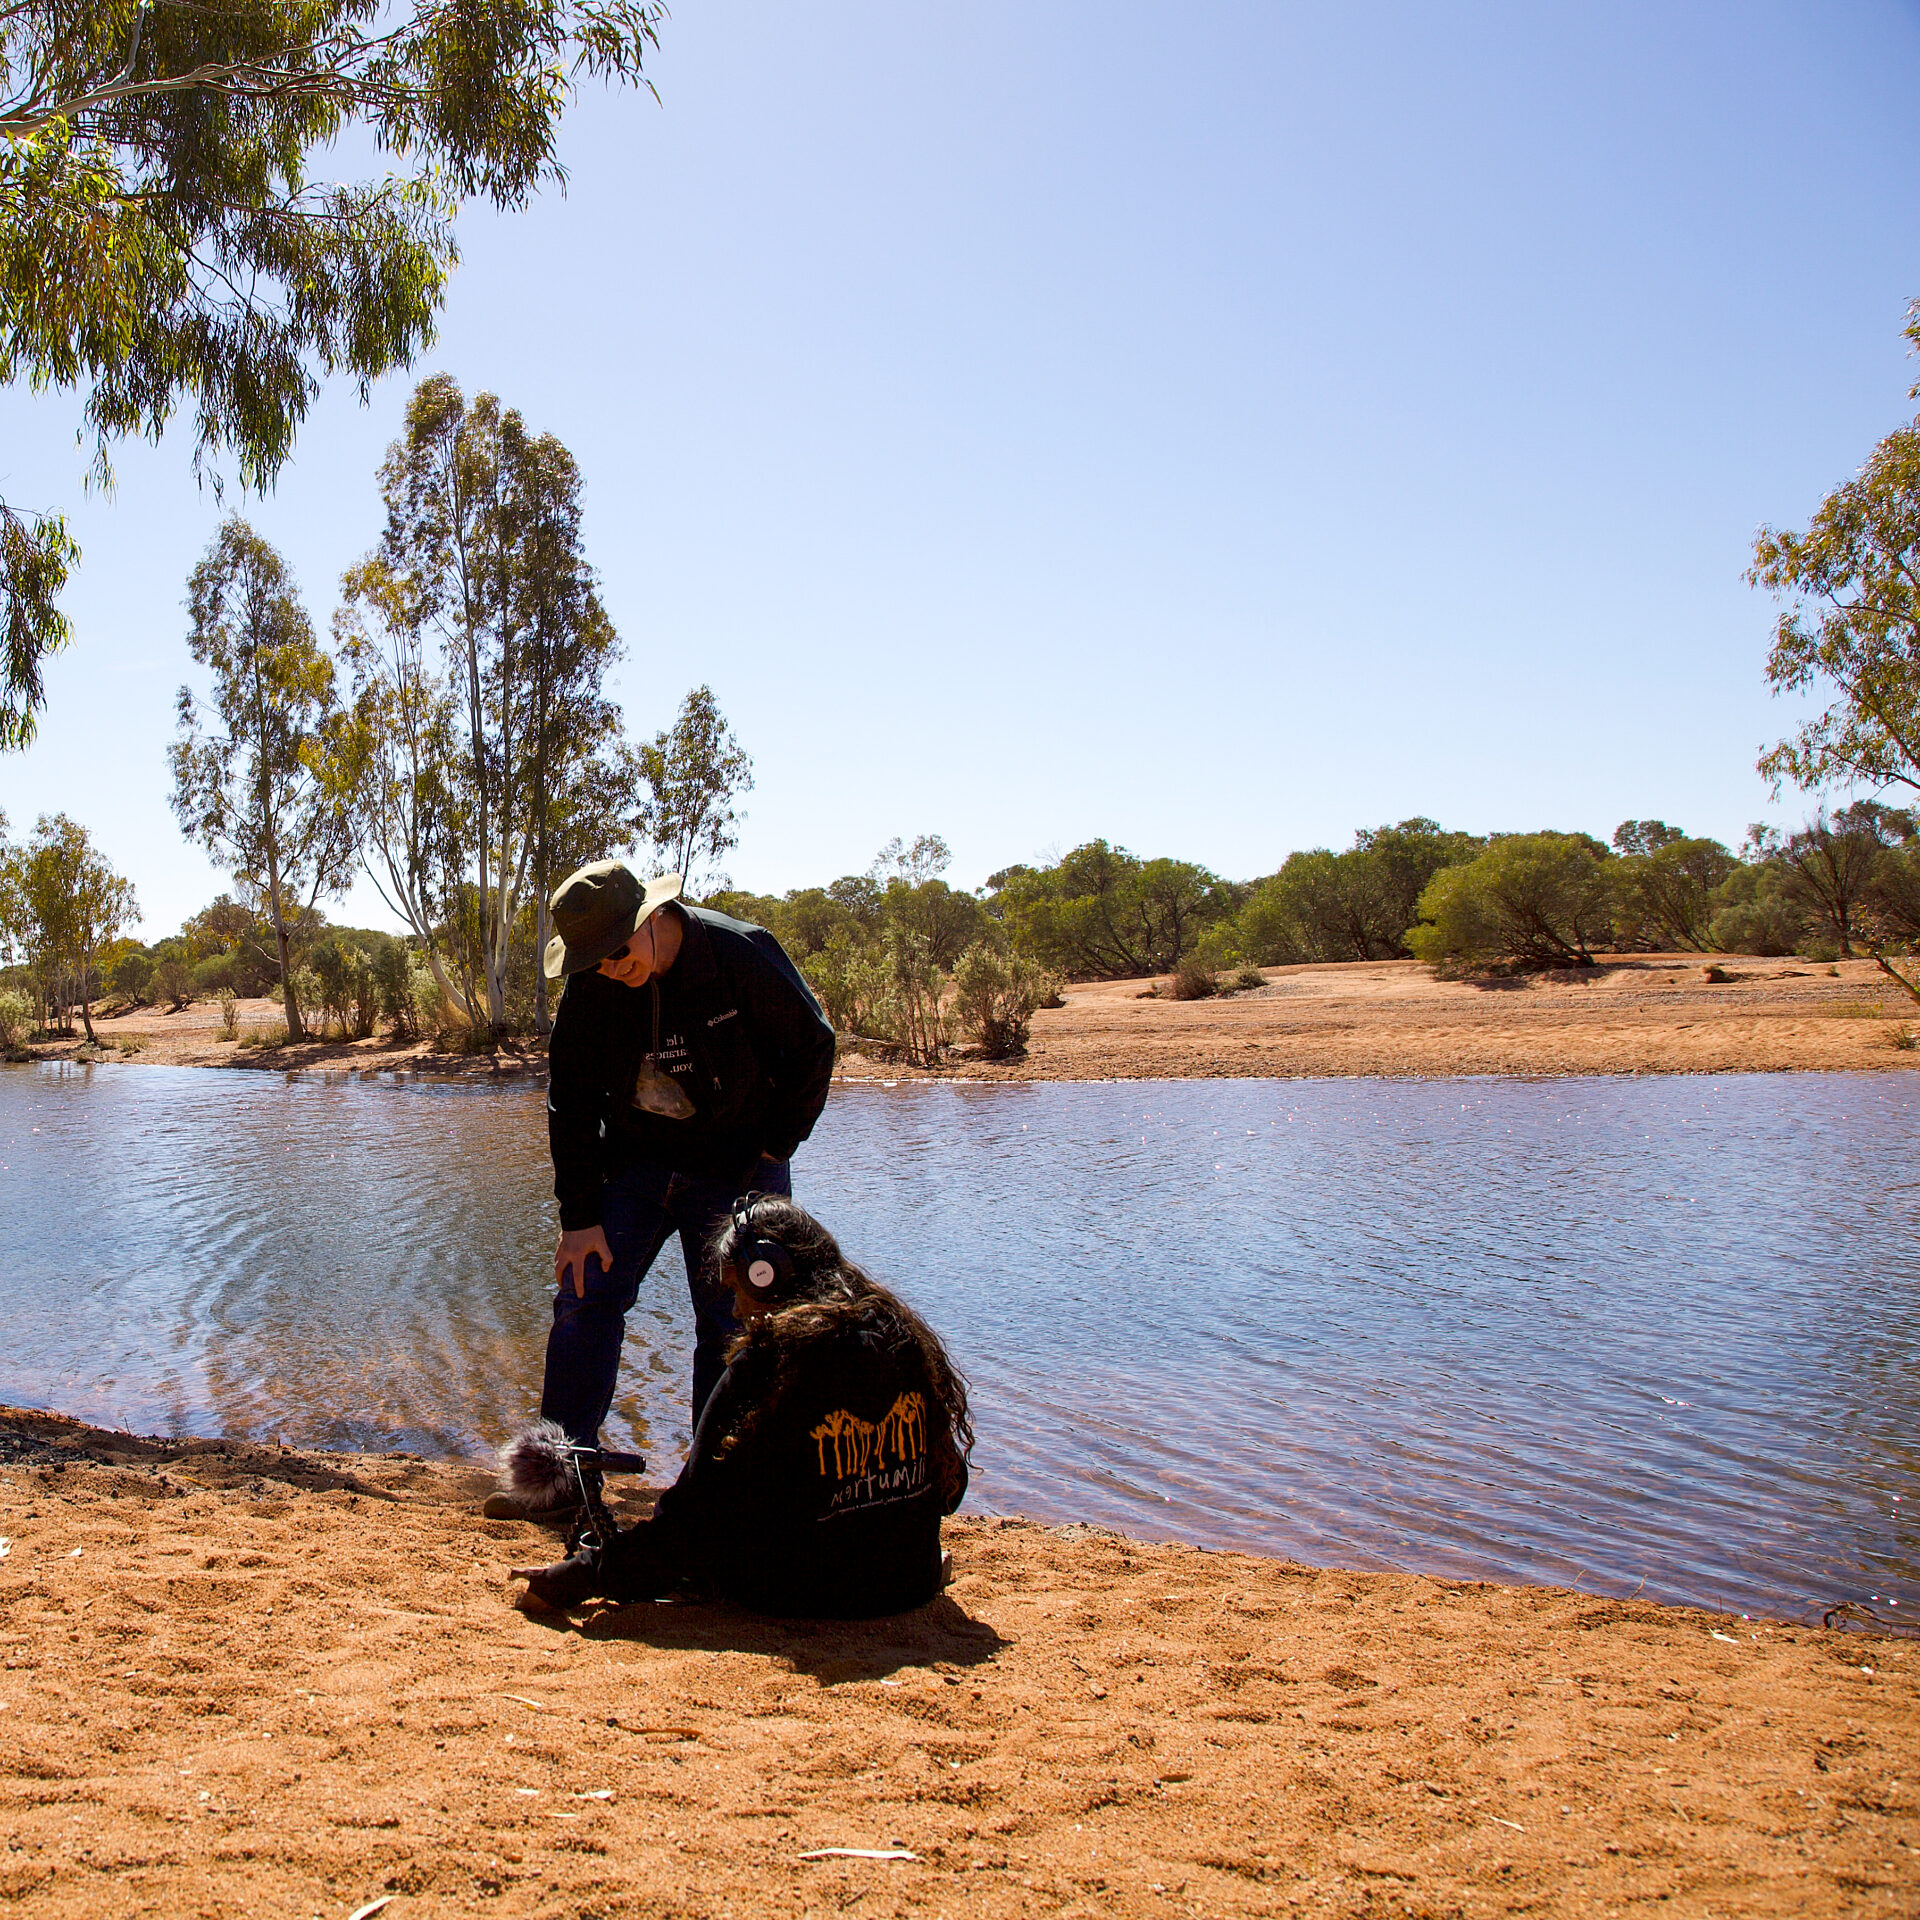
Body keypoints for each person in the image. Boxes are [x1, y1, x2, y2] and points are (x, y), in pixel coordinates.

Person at [487, 860, 836, 1520]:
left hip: (737, 1172)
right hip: (636, 1168)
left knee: (732, 1324)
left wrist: (775, 1148)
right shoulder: (596, 982)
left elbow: (814, 1046)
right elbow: (570, 1099)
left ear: (652, 919)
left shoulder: (739, 952)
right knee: (584, 1292)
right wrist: (579, 1215)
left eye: (616, 954)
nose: (609, 969)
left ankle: (714, 1491)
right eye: (594, 960)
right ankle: (563, 1481)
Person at [512, 1195, 972, 1617]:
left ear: (766, 1274)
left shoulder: (770, 1362)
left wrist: (579, 1574)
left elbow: (688, 1529)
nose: (735, 1310)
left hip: (807, 1597)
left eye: (738, 1288)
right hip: (910, 1584)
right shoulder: (903, 1337)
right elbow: (951, 1491)